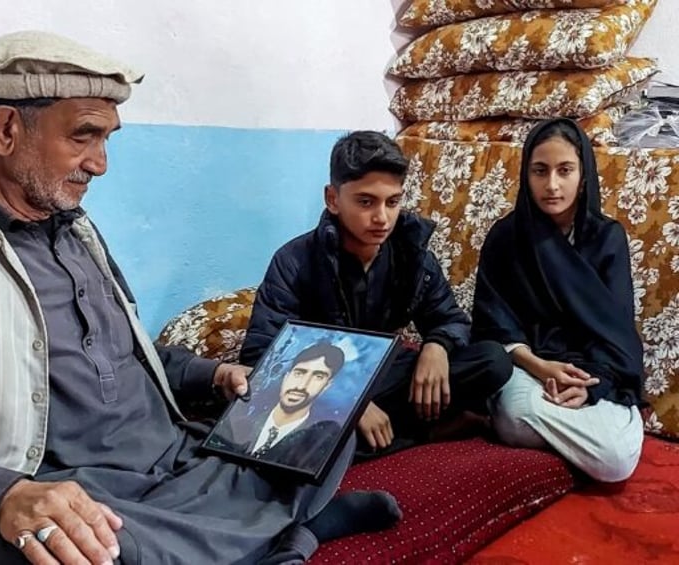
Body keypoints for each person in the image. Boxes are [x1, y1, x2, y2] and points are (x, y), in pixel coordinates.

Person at [0, 31, 401, 565]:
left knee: (323, 415)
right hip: (72, 488)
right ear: (6, 129)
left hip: (171, 462)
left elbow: (120, 358)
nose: (100, 163)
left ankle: (254, 528)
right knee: (81, 545)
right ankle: (284, 529)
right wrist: (7, 497)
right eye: (84, 135)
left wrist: (213, 374)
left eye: (106, 139)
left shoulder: (71, 225)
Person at [240, 130, 512, 458]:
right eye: (366, 202)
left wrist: (438, 345)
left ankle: (373, 437)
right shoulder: (294, 262)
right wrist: (347, 403)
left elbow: (449, 318)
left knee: (493, 361)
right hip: (320, 385)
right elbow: (260, 358)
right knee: (275, 432)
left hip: (385, 376)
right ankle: (418, 432)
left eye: (392, 202)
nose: (382, 217)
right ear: (333, 199)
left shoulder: (413, 256)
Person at [471, 118, 645, 483]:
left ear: (583, 175)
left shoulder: (606, 238)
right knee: (515, 413)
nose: (552, 185)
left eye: (565, 170)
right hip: (529, 370)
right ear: (526, 175)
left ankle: (563, 443)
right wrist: (539, 366)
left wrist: (589, 385)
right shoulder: (506, 237)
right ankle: (573, 447)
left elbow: (617, 331)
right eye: (540, 171)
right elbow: (491, 322)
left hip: (592, 373)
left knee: (616, 459)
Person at [210, 343, 344, 470]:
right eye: (299, 373)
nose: (301, 385)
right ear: (286, 376)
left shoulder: (317, 444)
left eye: (318, 377)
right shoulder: (237, 421)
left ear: (327, 385)